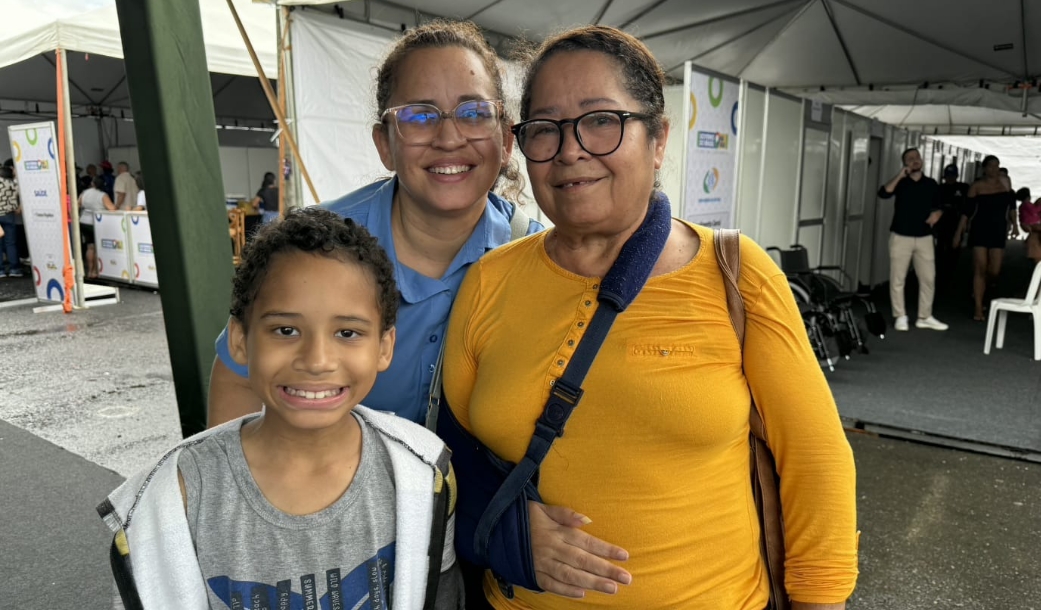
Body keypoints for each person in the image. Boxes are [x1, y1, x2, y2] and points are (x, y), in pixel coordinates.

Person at [441, 25, 858, 610]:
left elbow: (815, 460)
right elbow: (451, 454)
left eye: (601, 121)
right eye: (545, 128)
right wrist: (500, 528)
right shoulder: (490, 281)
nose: (569, 150)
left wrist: (820, 602)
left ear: (659, 139)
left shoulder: (734, 273)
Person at [99, 208, 464, 608]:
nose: (317, 359)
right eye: (286, 330)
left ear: (384, 347)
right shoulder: (173, 498)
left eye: (347, 332)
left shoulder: (423, 472)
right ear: (239, 340)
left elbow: (439, 593)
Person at [206, 20, 542, 428]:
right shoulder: (313, 245)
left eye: (473, 113)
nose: (449, 138)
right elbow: (239, 377)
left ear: (506, 142)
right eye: (419, 116)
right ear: (385, 143)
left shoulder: (538, 259)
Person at [878, 148, 949, 331]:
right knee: (897, 278)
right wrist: (900, 175)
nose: (915, 161)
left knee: (928, 278)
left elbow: (940, 206)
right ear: (905, 163)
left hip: (924, 236)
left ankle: (925, 316)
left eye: (917, 157)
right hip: (901, 236)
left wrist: (937, 214)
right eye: (910, 159)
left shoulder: (931, 183)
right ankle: (900, 315)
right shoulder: (901, 183)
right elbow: (884, 193)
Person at [954, 155, 1019, 321]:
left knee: (994, 270)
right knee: (980, 268)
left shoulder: (1005, 183)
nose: (994, 169)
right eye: (990, 166)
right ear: (984, 168)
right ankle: (978, 307)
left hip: (998, 229)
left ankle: (983, 291)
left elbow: (1012, 206)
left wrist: (1015, 225)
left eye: (997, 166)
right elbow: (966, 212)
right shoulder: (977, 186)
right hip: (980, 229)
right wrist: (959, 233)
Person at [935, 163, 969, 288]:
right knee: (940, 251)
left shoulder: (962, 188)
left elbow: (966, 207)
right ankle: (940, 277)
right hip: (941, 224)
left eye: (953, 176)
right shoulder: (940, 189)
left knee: (953, 252)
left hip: (956, 224)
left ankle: (949, 277)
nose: (950, 178)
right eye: (948, 176)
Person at [78, 176, 117, 279]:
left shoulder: (85, 193)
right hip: (97, 222)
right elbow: (112, 208)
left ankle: (89, 271)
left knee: (90, 247)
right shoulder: (103, 195)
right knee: (97, 248)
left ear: (92, 183)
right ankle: (95, 271)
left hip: (84, 221)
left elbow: (77, 205)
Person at [0, 162, 20, 277]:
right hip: (9, 215)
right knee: (11, 243)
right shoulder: (14, 184)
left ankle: (1, 270)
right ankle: (15, 269)